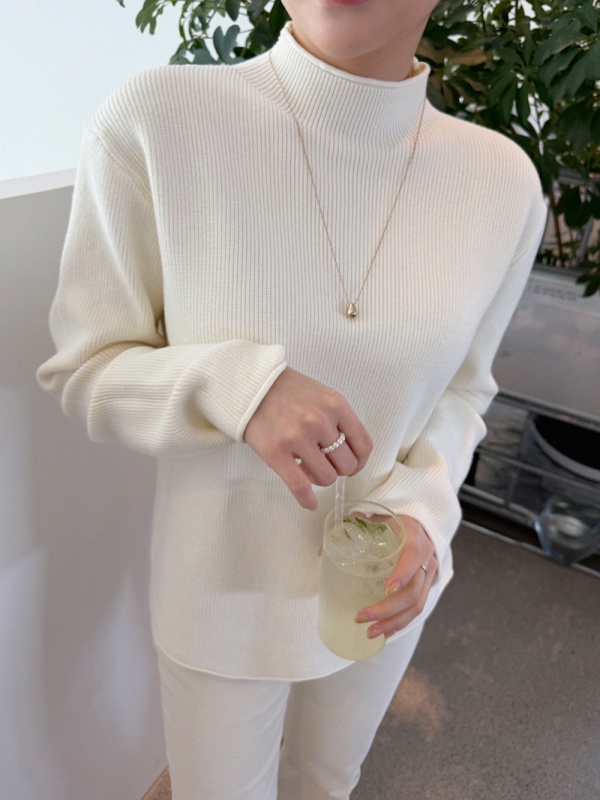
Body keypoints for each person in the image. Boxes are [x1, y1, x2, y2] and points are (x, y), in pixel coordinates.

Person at [37, 1, 547, 797]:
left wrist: (422, 512)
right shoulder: (159, 121)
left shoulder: (503, 183)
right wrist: (239, 389)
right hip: (221, 592)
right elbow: (85, 369)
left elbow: (464, 390)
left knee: (328, 782)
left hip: (383, 583)